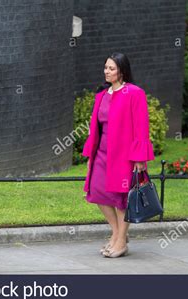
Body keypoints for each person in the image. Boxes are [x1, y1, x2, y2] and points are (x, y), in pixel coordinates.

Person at [82, 52, 155, 258]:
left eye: (111, 68)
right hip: (102, 153)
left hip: (124, 155)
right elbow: (95, 127)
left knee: (121, 198)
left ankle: (120, 241)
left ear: (122, 71)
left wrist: (139, 158)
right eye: (105, 67)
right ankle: (116, 233)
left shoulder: (134, 93)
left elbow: (141, 127)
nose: (107, 71)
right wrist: (91, 152)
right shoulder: (102, 95)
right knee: (97, 192)